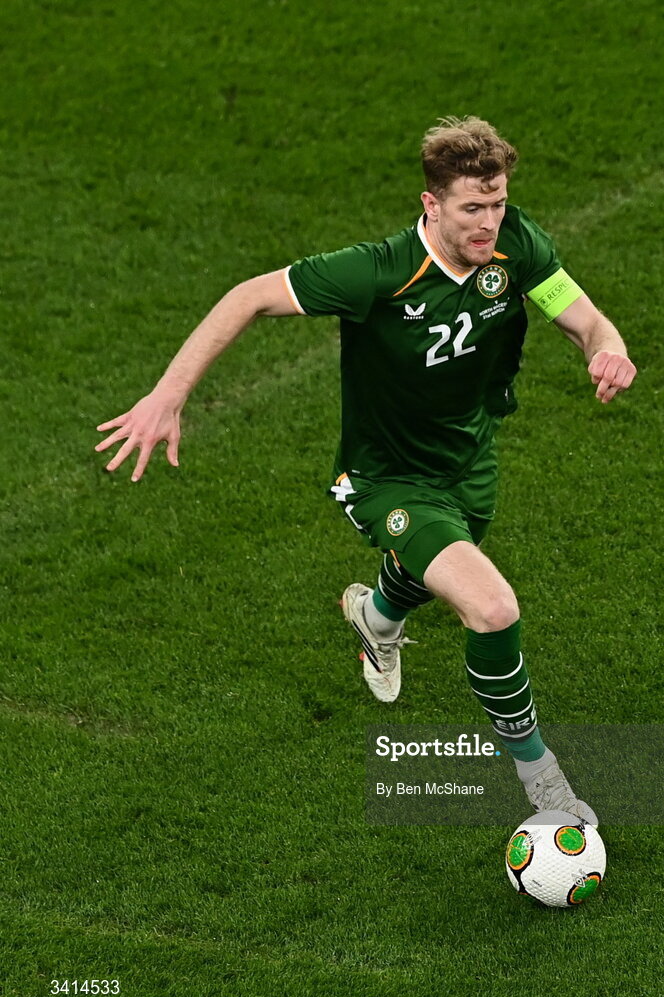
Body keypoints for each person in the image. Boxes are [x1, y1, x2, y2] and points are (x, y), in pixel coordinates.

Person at [96, 116, 636, 826]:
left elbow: (583, 316)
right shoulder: (376, 272)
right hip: (387, 480)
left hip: (470, 459)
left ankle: (374, 616)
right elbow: (249, 296)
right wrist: (169, 396)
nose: (489, 223)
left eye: (498, 203)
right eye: (473, 208)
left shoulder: (516, 245)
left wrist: (608, 348)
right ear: (431, 205)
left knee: (438, 564)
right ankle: (545, 782)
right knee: (491, 606)